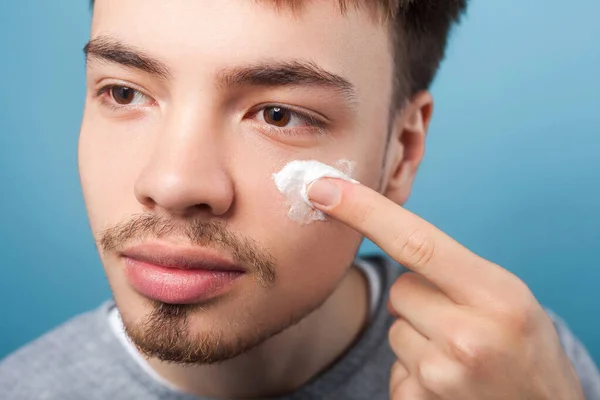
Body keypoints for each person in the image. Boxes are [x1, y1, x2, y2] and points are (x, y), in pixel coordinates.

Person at [1, 0, 599, 399]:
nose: (174, 184)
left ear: (400, 151)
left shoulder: (513, 366)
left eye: (278, 114)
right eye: (125, 93)